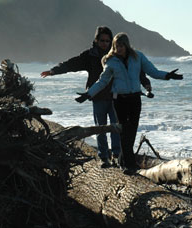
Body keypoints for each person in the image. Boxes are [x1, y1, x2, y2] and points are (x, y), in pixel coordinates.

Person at [41, 26, 152, 168]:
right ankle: (104, 157)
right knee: (100, 128)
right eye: (102, 40)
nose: (105, 43)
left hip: (116, 97)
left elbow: (135, 72)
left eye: (107, 40)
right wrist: (54, 71)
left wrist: (146, 83)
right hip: (98, 97)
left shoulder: (118, 55)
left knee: (117, 128)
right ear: (96, 40)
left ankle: (117, 156)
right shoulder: (90, 55)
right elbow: (71, 64)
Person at [75, 32, 183, 175]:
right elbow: (103, 81)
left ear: (127, 45)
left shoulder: (138, 57)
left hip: (135, 99)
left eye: (121, 46)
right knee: (124, 131)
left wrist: (167, 76)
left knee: (131, 132)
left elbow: (152, 71)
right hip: (119, 100)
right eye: (116, 46)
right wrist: (89, 94)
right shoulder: (111, 61)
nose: (118, 48)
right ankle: (129, 165)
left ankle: (122, 160)